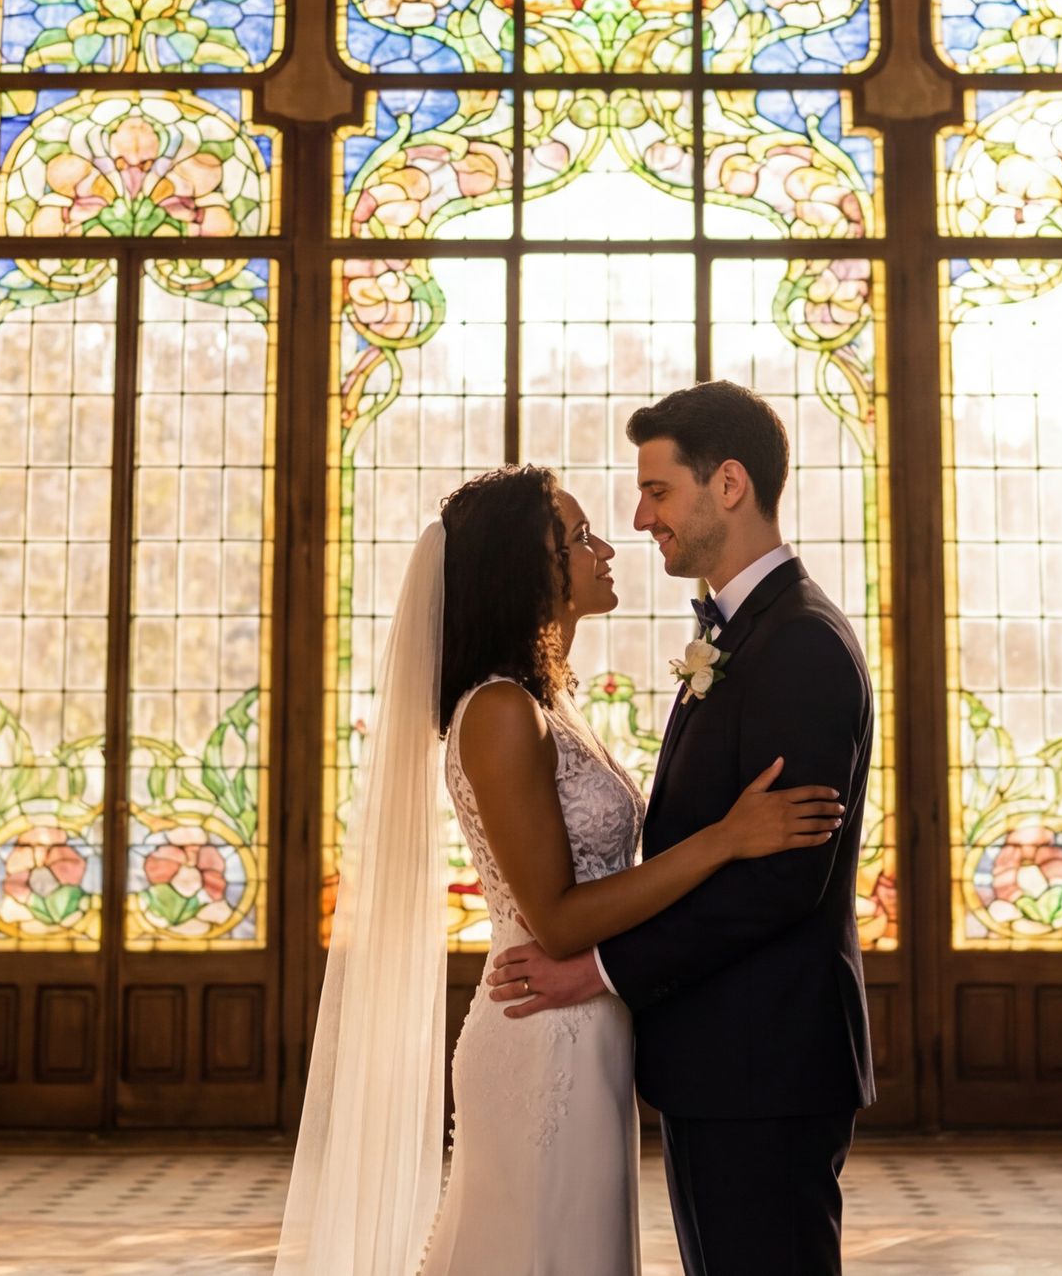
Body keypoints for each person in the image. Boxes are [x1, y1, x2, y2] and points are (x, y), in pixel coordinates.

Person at [276, 458, 843, 1276]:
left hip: (591, 1031)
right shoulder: (502, 711)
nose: (607, 546)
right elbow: (560, 918)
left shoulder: (548, 700)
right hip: (543, 1037)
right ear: (527, 571)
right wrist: (724, 838)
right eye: (579, 537)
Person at [490, 382, 877, 1276]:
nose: (639, 515)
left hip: (767, 1062)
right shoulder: (746, 634)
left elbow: (781, 882)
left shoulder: (802, 643)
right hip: (725, 1061)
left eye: (658, 490)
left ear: (729, 483)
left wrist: (598, 968)